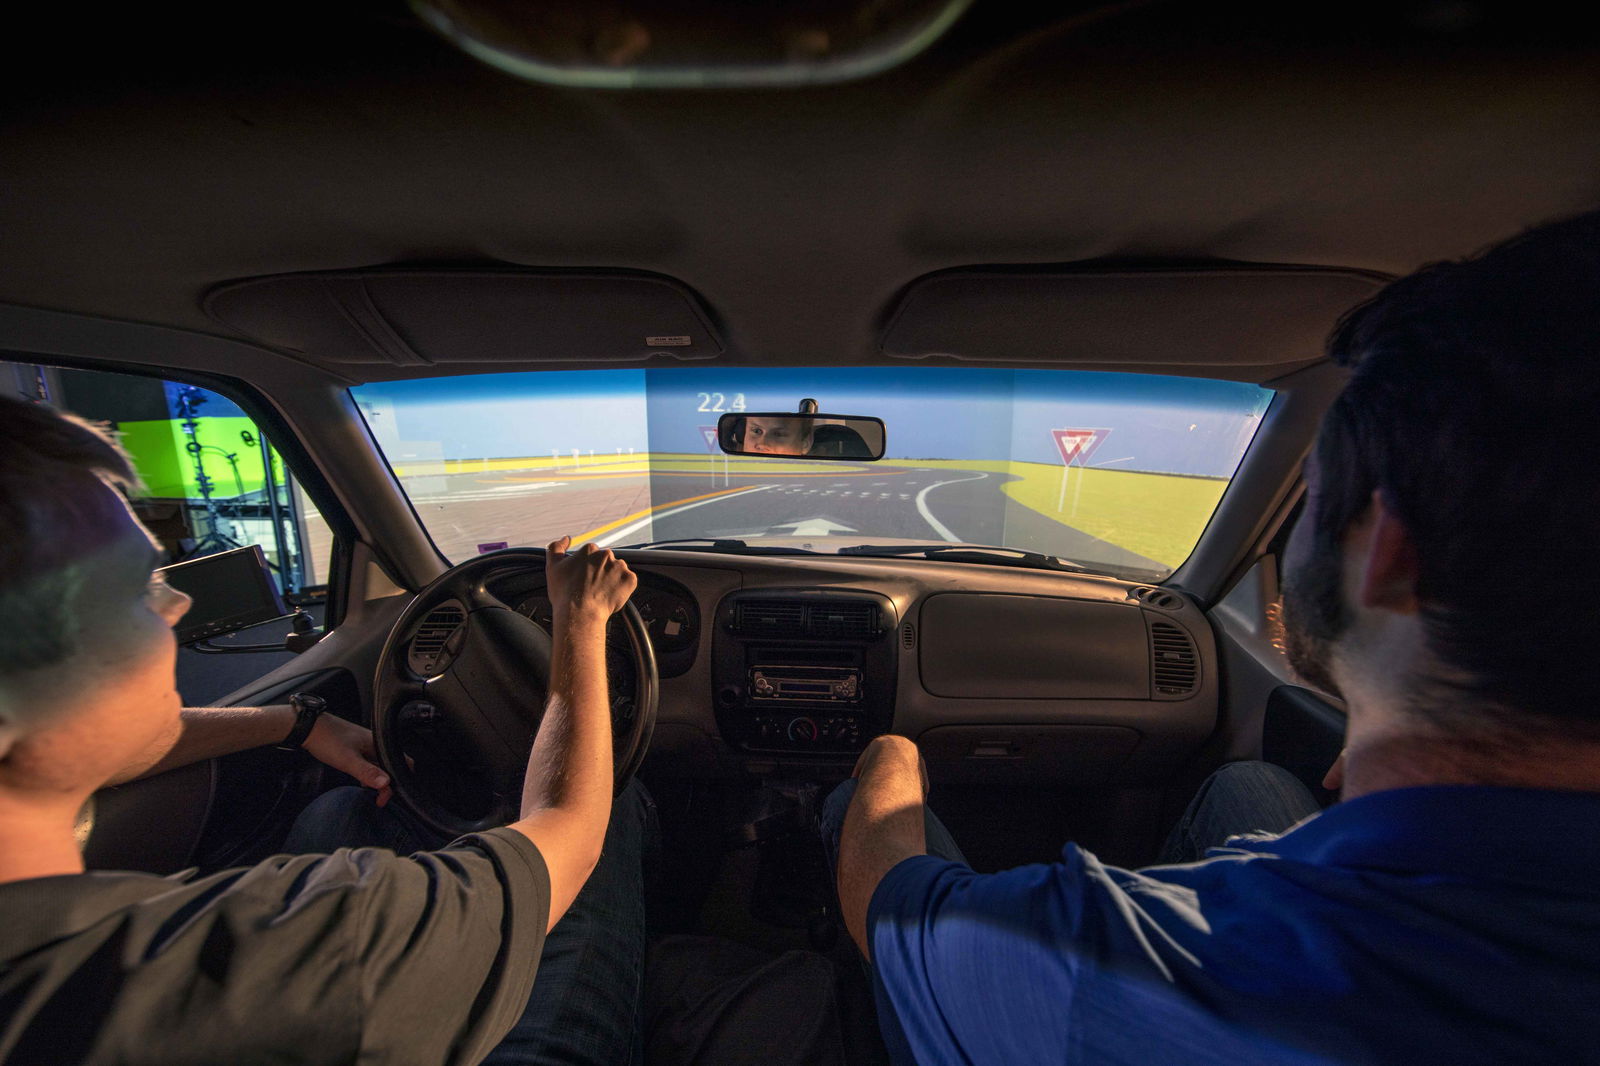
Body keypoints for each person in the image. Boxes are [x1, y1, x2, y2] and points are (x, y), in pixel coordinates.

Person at [827, 212, 1600, 1065]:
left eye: (1307, 500)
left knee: (853, 812)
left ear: (1389, 555)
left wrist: (889, 756)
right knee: (1254, 785)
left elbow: (886, 900)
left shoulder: (1122, 971)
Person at [0, 393, 644, 1065]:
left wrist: (296, 722)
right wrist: (581, 619)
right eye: (138, 589)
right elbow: (567, 828)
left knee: (342, 811)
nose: (178, 604)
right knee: (616, 802)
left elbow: (106, 737)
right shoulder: (295, 947)